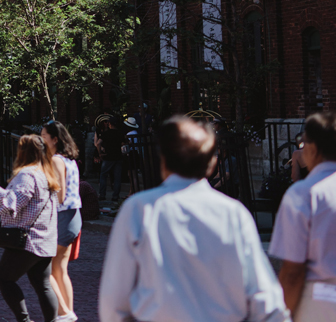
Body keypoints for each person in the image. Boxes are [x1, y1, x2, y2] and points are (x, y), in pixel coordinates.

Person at [97, 116, 285, 322]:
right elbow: (264, 298)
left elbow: (114, 299)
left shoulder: (139, 210)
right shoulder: (233, 213)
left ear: (163, 161)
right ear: (212, 162)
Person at [269, 110, 336, 321]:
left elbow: (292, 272)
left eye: (302, 142)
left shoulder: (304, 194)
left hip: (321, 307)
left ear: (314, 148)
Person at [0, 134, 61, 322]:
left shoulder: (27, 174)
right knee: (43, 285)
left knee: (4, 279)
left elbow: (16, 201)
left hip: (28, 240)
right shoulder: (46, 173)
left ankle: (24, 320)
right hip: (45, 238)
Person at [43, 120, 82, 322]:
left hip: (63, 216)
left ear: (55, 139)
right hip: (74, 216)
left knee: (44, 268)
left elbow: (60, 194)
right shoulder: (70, 160)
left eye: (44, 137)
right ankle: (68, 312)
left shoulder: (57, 160)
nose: (42, 140)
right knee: (61, 269)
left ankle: (64, 312)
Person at [95, 118, 126, 205]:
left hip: (108, 156)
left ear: (110, 124)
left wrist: (100, 153)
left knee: (103, 175)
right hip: (118, 156)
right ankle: (115, 196)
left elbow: (98, 143)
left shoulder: (105, 133)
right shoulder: (120, 133)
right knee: (117, 177)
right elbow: (123, 144)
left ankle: (102, 194)